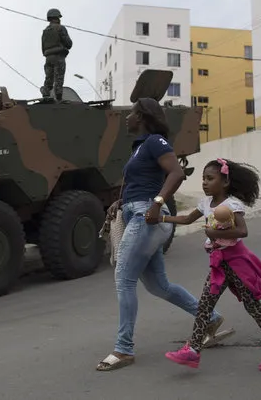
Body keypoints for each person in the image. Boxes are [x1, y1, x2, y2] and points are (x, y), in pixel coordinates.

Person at [96, 98, 231, 372]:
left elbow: (176, 173)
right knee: (159, 286)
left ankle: (123, 349)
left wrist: (157, 203)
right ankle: (211, 318)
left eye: (131, 113)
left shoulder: (155, 141)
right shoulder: (139, 147)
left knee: (123, 278)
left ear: (143, 116)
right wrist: (119, 202)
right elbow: (140, 183)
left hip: (147, 216)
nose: (126, 117)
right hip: (139, 213)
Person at [161, 158, 261, 372]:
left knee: (252, 306)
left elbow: (242, 231)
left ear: (225, 182)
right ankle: (192, 351)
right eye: (203, 178)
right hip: (218, 264)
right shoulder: (205, 204)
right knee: (204, 306)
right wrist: (161, 220)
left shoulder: (232, 205)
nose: (204, 182)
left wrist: (214, 233)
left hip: (237, 262)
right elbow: (186, 220)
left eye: (210, 178)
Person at [40, 8, 72, 102]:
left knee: (48, 78)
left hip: (48, 58)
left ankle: (46, 95)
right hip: (58, 56)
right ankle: (58, 98)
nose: (59, 19)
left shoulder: (45, 31)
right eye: (58, 17)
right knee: (59, 78)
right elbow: (68, 44)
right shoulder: (60, 28)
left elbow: (43, 47)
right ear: (56, 17)